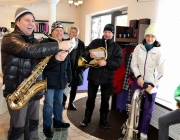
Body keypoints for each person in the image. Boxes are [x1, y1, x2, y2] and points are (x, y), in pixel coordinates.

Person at [1, 7, 72, 140]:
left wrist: (56, 59)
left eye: (33, 21)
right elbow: (29, 51)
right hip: (18, 92)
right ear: (17, 22)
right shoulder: (9, 39)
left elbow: (42, 65)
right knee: (18, 128)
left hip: (33, 91)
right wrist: (58, 46)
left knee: (33, 125)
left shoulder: (34, 41)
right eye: (27, 20)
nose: (32, 24)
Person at [80, 23, 122, 128]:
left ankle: (103, 120)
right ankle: (86, 119)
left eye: (109, 32)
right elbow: (84, 52)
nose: (107, 34)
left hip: (108, 79)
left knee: (105, 101)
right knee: (90, 99)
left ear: (113, 34)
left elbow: (118, 62)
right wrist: (89, 55)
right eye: (105, 32)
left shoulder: (117, 47)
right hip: (93, 77)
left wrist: (106, 63)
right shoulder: (96, 42)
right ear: (103, 32)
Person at [130, 23, 165, 140]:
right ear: (145, 36)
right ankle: (131, 128)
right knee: (134, 105)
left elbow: (162, 72)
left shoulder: (159, 52)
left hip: (152, 83)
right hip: (138, 81)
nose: (150, 39)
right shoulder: (138, 48)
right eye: (148, 36)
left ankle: (143, 131)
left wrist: (152, 85)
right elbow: (133, 64)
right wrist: (138, 77)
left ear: (155, 38)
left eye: (153, 36)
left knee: (147, 108)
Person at [40, 21, 72, 138]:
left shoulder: (65, 44)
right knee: (48, 105)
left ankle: (58, 122)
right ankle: (47, 127)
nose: (59, 32)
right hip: (48, 81)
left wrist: (68, 78)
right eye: (56, 30)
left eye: (61, 30)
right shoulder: (46, 44)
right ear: (52, 32)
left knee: (59, 103)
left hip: (61, 80)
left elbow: (68, 64)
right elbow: (42, 65)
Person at [62, 26, 85, 110]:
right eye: (72, 32)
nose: (74, 34)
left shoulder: (81, 43)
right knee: (65, 87)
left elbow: (84, 56)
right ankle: (63, 103)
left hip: (77, 69)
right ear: (69, 33)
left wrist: (82, 68)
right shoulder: (65, 42)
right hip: (67, 69)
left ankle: (71, 103)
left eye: (76, 32)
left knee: (74, 87)